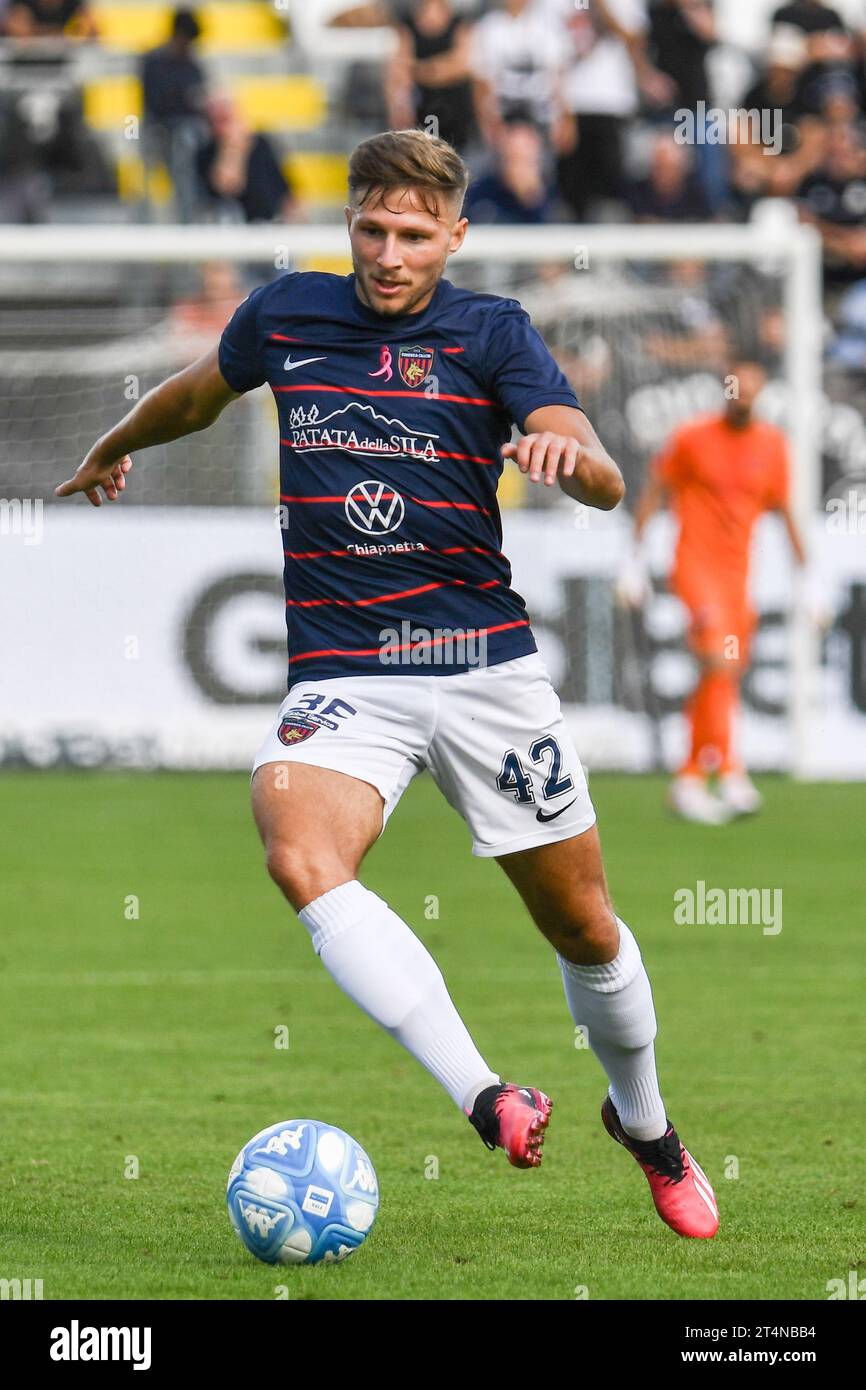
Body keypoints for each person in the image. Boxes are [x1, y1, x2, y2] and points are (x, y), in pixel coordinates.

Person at [55, 128, 719, 1240]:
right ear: (349, 223)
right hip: (348, 672)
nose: (389, 254)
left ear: (454, 237)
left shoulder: (490, 332)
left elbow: (592, 463)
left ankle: (645, 1125)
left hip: (483, 670)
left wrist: (573, 462)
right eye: (371, 228)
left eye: (414, 235)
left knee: (584, 927)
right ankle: (486, 1094)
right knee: (297, 850)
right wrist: (112, 443)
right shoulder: (286, 315)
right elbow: (192, 396)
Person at [623, 357, 807, 824]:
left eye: (751, 388)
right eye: (736, 387)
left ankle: (687, 777)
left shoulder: (772, 445)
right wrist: (634, 563)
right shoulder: (691, 437)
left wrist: (809, 580)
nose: (742, 395)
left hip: (738, 577)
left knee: (721, 672)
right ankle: (728, 770)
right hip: (695, 569)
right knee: (719, 662)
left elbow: (786, 513)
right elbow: (654, 492)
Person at [386, 0, 476, 150]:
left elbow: (461, 66)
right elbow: (398, 70)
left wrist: (418, 70)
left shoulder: (460, 24)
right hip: (422, 110)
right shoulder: (407, 26)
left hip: (456, 111)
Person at [196, 94, 296, 224]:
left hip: (270, 223)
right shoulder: (206, 152)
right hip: (235, 226)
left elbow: (285, 189)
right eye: (219, 120)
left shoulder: (260, 143)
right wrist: (233, 149)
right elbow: (228, 186)